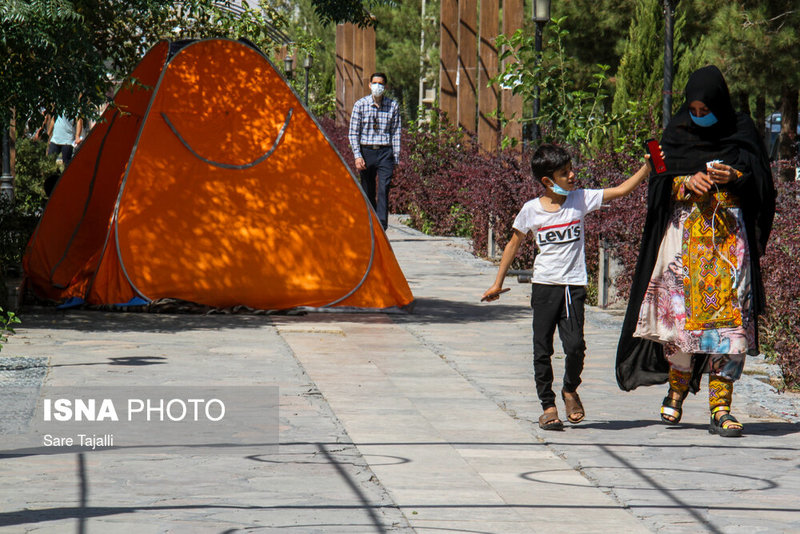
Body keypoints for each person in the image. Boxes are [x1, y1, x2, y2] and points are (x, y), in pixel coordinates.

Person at [616, 65, 776, 438]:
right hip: (683, 245)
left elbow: (762, 181)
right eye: (695, 110)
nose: (700, 118)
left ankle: (721, 407)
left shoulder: (742, 132)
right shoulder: (674, 133)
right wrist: (684, 182)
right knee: (681, 324)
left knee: (731, 328)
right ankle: (676, 390)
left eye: (707, 111)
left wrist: (735, 176)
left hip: (729, 247)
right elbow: (659, 178)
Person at [482, 143, 656, 430]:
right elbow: (514, 244)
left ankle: (570, 389)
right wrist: (497, 283)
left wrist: (646, 168)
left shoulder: (581, 200)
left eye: (571, 169)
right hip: (544, 287)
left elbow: (621, 190)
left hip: (572, 287)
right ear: (548, 181)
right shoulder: (530, 210)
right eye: (565, 173)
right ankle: (548, 406)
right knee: (542, 349)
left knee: (575, 346)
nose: (573, 175)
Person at [348, 72, 401, 230]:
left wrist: (396, 158)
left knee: (384, 187)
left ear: (385, 87)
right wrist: (357, 156)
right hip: (367, 151)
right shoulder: (360, 105)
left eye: (381, 84)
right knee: (368, 188)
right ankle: (370, 223)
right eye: (375, 83)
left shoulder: (393, 106)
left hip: (385, 152)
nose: (378, 86)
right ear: (370, 85)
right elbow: (353, 133)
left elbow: (396, 132)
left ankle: (382, 225)